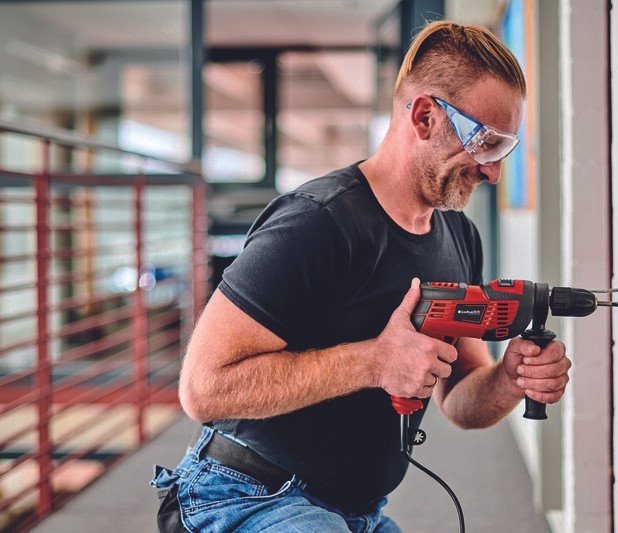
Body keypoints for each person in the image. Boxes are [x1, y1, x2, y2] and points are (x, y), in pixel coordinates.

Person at [151, 19, 572, 532]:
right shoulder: (317, 222)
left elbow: (461, 398)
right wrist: (374, 362)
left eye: (504, 149)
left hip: (357, 511)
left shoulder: (460, 237)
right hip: (242, 495)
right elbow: (202, 389)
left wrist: (509, 379)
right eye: (484, 142)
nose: (493, 171)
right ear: (424, 117)